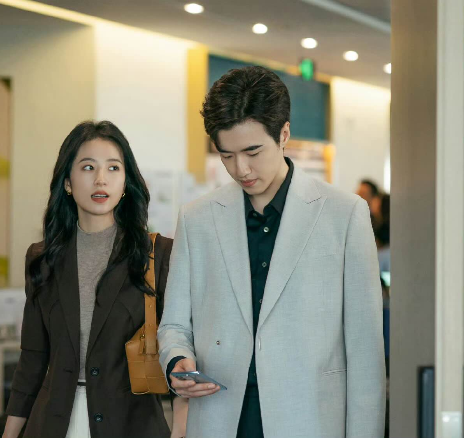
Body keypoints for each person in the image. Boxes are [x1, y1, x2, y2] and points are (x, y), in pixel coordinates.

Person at [158, 66, 385, 438]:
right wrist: (177, 360)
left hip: (310, 421)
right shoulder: (197, 219)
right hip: (219, 418)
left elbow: (365, 352)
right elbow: (175, 325)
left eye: (252, 151)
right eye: (226, 155)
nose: (241, 169)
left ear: (284, 134)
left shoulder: (344, 215)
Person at [2, 121, 188, 438]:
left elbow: (179, 345)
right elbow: (33, 357)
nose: (101, 179)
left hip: (132, 425)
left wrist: (181, 429)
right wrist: (9, 434)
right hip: (53, 423)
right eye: (88, 167)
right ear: (68, 182)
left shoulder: (158, 255)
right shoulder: (42, 258)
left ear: (126, 181)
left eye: (113, 168)